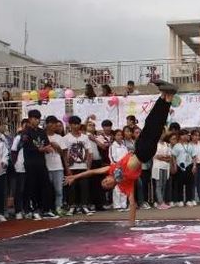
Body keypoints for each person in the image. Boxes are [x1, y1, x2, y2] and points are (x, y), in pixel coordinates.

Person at [65, 82, 177, 225]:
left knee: (151, 121)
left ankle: (165, 96)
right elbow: (132, 203)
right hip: (144, 154)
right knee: (156, 125)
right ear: (112, 186)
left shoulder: (112, 169)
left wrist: (75, 176)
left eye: (104, 180)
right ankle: (168, 96)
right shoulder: (124, 184)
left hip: (139, 148)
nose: (106, 181)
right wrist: (131, 224)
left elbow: (91, 172)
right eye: (106, 184)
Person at [64, 116, 94, 216]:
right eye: (74, 124)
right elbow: (64, 154)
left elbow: (89, 153)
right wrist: (67, 168)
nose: (76, 126)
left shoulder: (84, 137)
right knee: (71, 188)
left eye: (77, 124)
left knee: (84, 187)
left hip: (83, 166)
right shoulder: (66, 138)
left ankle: (84, 206)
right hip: (71, 167)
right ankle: (72, 206)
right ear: (70, 125)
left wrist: (88, 168)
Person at [45, 116, 66, 216]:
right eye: (51, 124)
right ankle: (48, 208)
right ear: (47, 124)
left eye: (55, 124)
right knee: (47, 190)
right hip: (46, 166)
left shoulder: (59, 138)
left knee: (58, 190)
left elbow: (63, 154)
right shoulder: (43, 136)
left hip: (58, 167)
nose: (53, 126)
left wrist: (57, 147)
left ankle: (58, 207)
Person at [11, 119, 29, 220]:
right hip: (20, 167)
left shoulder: (32, 137)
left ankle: (27, 210)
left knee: (28, 190)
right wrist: (15, 164)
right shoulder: (18, 138)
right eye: (25, 125)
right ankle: (18, 210)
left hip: (30, 167)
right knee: (19, 190)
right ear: (22, 126)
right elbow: (13, 151)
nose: (26, 127)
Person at [152, 132, 175, 209]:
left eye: (163, 133)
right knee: (158, 185)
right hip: (157, 166)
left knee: (164, 184)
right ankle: (160, 202)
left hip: (165, 166)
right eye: (160, 133)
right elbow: (157, 156)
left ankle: (162, 201)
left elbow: (169, 156)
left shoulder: (167, 144)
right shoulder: (155, 144)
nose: (162, 135)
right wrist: (164, 157)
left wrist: (164, 157)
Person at [109, 129, 129, 211]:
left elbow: (127, 157)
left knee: (124, 186)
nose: (120, 136)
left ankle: (124, 205)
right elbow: (112, 158)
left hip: (125, 169)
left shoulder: (124, 146)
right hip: (116, 168)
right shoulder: (112, 146)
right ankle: (117, 205)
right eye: (117, 135)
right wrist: (119, 166)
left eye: (121, 135)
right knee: (117, 187)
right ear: (114, 136)